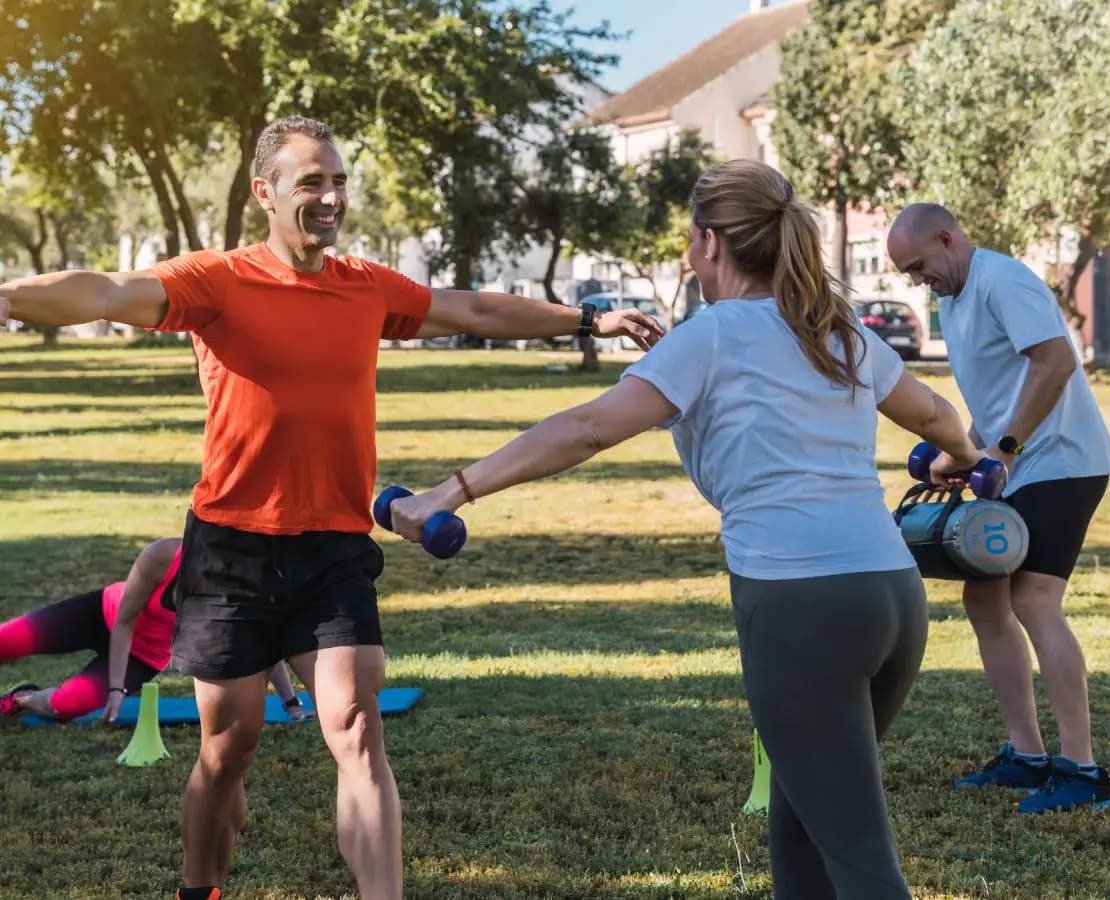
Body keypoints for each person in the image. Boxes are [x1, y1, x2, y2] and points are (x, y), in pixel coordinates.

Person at [0, 115, 661, 900]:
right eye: (311, 181)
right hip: (230, 552)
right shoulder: (216, 280)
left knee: (353, 725)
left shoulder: (365, 287)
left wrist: (588, 319)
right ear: (266, 193)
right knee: (227, 749)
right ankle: (199, 888)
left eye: (338, 180)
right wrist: (10, 295)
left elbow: (473, 311)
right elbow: (106, 293)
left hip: (333, 547)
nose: (330, 196)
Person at [384, 159, 986, 900]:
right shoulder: (832, 332)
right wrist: (960, 459)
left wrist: (452, 490)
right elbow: (932, 415)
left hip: (802, 607)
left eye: (687, 242)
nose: (682, 256)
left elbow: (586, 429)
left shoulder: (713, 336)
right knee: (804, 823)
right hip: (892, 599)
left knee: (859, 855)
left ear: (709, 243)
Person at [886, 203, 1110, 814]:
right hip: (1013, 464)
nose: (919, 280)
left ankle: (1084, 771)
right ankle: (1028, 756)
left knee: (1032, 599)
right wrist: (960, 452)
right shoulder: (955, 298)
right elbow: (995, 392)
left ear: (947, 237)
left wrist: (1004, 449)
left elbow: (1056, 362)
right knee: (984, 598)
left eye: (919, 266)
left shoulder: (1003, 279)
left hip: (1062, 460)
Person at [0, 538, 311, 723]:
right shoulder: (163, 555)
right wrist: (115, 689)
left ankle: (19, 699)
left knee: (67, 705)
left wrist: (291, 704)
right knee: (9, 640)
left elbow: (264, 649)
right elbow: (125, 620)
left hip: (144, 656)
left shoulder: (239, 591)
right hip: (103, 613)